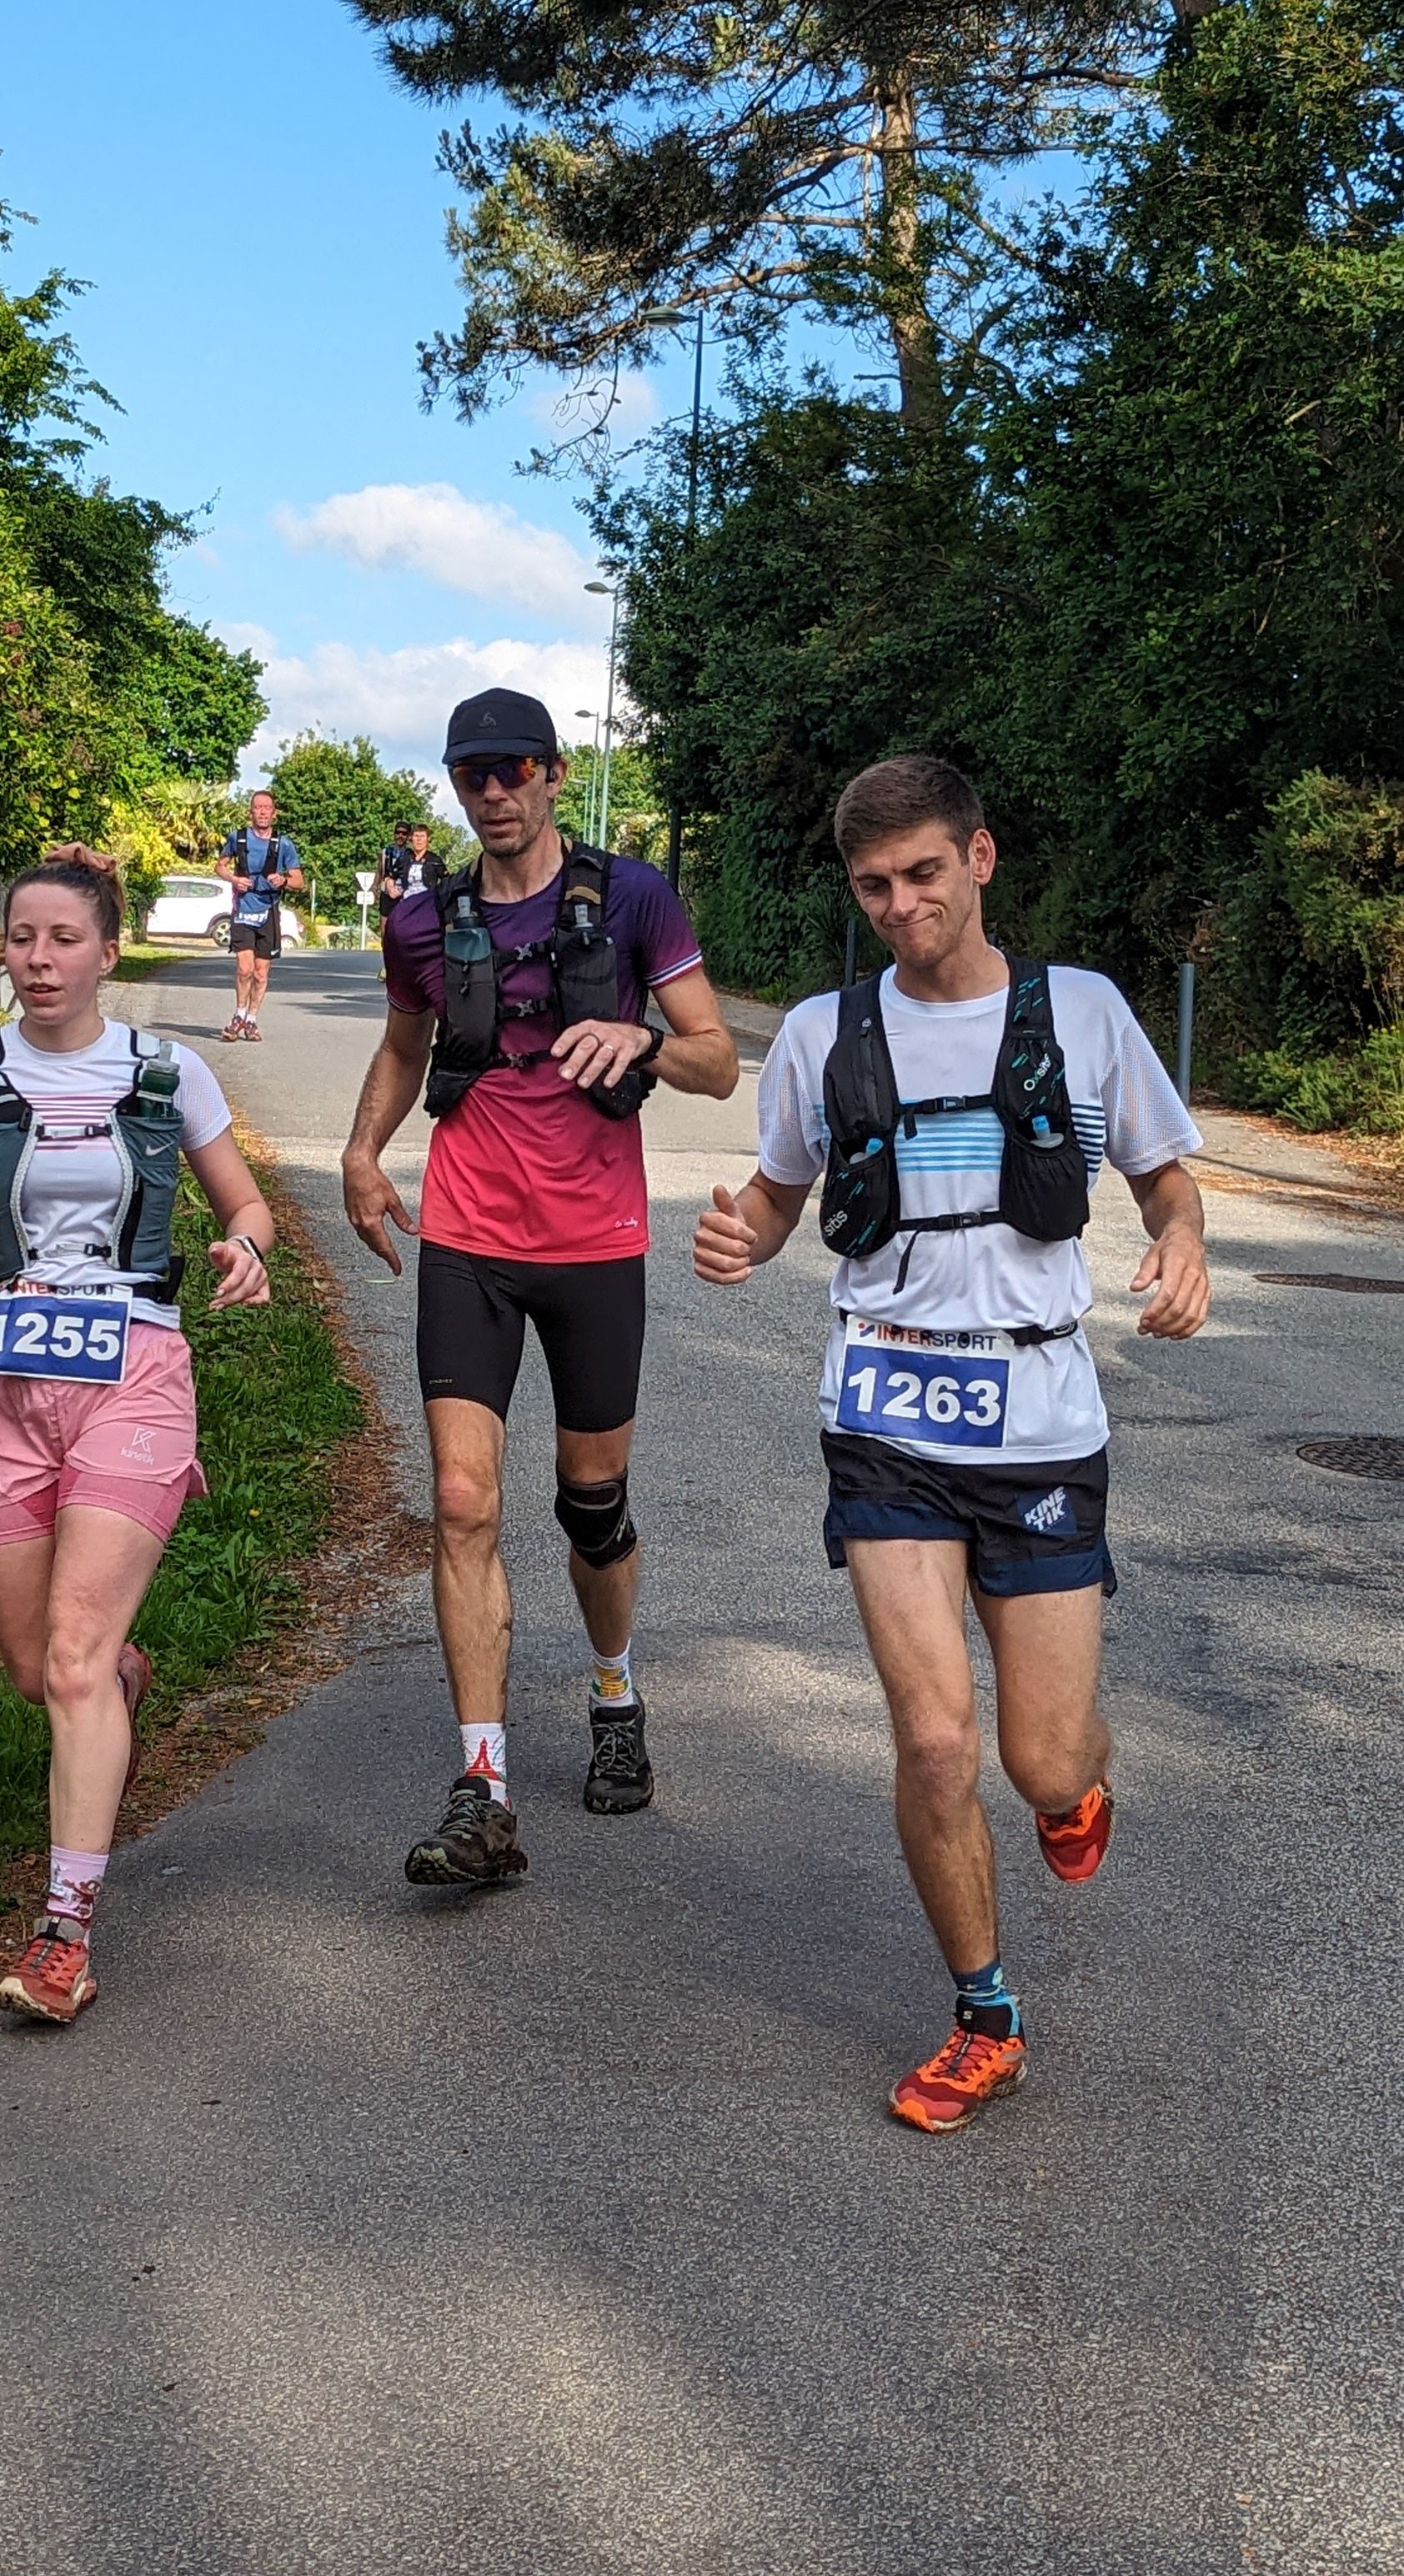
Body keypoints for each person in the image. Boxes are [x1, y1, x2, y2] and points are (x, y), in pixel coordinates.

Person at [694, 754, 1210, 2132]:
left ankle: (1074, 1785)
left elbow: (1166, 1180)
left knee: (1042, 1760)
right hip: (883, 1411)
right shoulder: (822, 1032)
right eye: (873, 885)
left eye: (923, 872)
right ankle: (984, 2017)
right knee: (933, 1740)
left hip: (1039, 1418)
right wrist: (737, 1237)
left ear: (977, 859)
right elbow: (776, 1195)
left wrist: (1181, 1242)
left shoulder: (1082, 1012)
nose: (901, 905)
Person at [342, 686, 737, 1885]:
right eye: (474, 775)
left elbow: (718, 1059)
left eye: (516, 769)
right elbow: (405, 1046)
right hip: (470, 1237)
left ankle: (615, 1695)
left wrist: (646, 1042)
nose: (495, 791)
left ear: (555, 774)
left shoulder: (635, 898)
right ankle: (482, 1787)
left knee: (590, 1503)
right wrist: (362, 1154)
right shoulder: (422, 921)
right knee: (462, 1500)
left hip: (596, 1242)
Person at [0, 845, 276, 2027]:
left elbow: (245, 1201)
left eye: (62, 940)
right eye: (22, 938)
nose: (39, 960)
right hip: (4, 1387)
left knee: (69, 1661)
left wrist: (246, 1247)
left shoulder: (166, 1071)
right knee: (36, 1668)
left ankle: (64, 1938)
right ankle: (121, 1681)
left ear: (108, 951)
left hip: (133, 1376)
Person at [215, 789, 302, 1040]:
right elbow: (220, 866)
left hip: (269, 911)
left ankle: (252, 1020)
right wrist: (234, 879)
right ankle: (238, 1016)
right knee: (245, 969)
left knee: (261, 972)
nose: (262, 812)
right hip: (243, 908)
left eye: (267, 808)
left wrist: (283, 880)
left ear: (274, 813)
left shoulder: (283, 844)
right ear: (250, 812)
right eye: (258, 807)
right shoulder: (238, 838)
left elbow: (299, 881)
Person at [377, 822, 447, 910]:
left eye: (422, 836)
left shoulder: (435, 860)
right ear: (411, 838)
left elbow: (447, 881)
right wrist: (391, 888)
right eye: (416, 836)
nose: (419, 840)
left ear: (428, 839)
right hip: (406, 906)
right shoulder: (403, 859)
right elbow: (389, 877)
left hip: (427, 907)